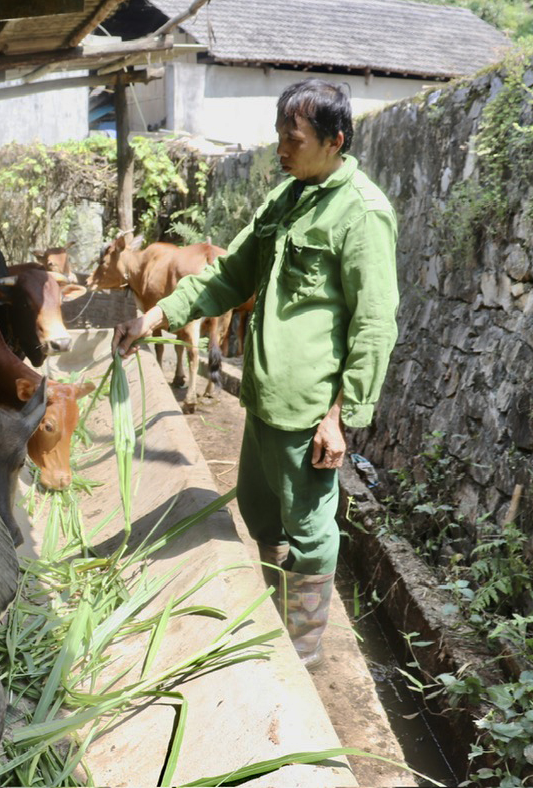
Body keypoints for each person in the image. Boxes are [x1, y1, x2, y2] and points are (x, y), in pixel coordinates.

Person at [112, 79, 399, 668]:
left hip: (310, 409)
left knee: (312, 528)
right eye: (278, 135)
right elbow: (227, 276)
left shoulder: (362, 214)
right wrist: (157, 313)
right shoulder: (286, 200)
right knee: (261, 511)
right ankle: (274, 607)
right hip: (265, 401)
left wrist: (341, 417)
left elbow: (374, 324)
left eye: (292, 138)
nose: (280, 148)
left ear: (334, 140)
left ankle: (304, 650)